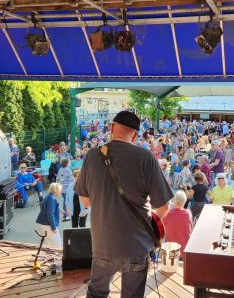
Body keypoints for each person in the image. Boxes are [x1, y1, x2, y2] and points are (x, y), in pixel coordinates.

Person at [74, 110, 173, 298]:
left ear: (111, 128)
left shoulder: (93, 155)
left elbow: (85, 201)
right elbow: (163, 207)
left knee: (96, 293)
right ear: (135, 134)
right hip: (136, 246)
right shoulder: (146, 157)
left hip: (103, 243)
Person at [162, 191, 193, 256]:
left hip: (171, 250)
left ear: (174, 200)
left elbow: (162, 228)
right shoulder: (188, 213)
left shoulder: (167, 214)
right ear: (184, 202)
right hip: (185, 250)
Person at [35, 182, 63, 247]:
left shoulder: (48, 196)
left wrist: (57, 210)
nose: (61, 191)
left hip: (41, 223)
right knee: (57, 244)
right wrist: (53, 228)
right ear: (56, 190)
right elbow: (50, 214)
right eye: (60, 190)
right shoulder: (51, 198)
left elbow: (46, 209)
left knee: (46, 244)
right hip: (46, 224)